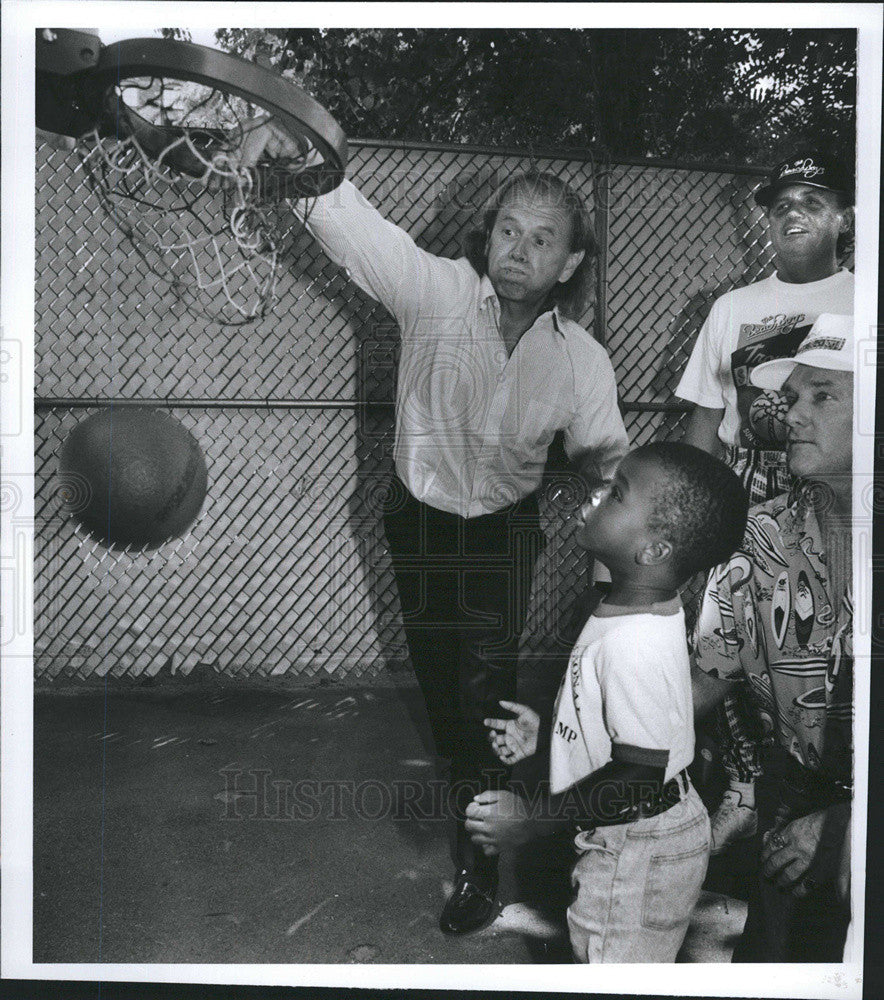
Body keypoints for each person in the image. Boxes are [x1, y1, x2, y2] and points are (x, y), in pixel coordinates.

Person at [242, 123, 630, 934]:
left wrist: (621, 565)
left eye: (543, 239)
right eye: (508, 230)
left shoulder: (583, 359)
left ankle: (482, 865)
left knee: (483, 699)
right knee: (448, 702)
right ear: (486, 237)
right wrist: (293, 156)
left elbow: (603, 466)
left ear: (570, 264)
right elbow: (356, 230)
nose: (519, 249)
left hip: (500, 536)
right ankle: (475, 782)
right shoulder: (437, 292)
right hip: (416, 526)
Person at [464, 441, 749, 962]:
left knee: (610, 963)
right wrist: (553, 735)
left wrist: (531, 819)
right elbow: (623, 724)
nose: (597, 493)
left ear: (654, 550)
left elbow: (640, 771)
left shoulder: (633, 643)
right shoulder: (629, 605)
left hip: (639, 846)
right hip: (630, 828)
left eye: (617, 494)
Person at [675, 150, 854, 854]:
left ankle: (837, 807)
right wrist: (687, 522)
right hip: (755, 504)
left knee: (831, 657)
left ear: (844, 214)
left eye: (813, 198)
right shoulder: (733, 310)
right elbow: (703, 422)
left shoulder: (867, 297)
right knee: (726, 643)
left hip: (846, 513)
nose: (794, 211)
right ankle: (751, 783)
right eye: (781, 202)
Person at [690, 314, 854, 962]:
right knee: (770, 959)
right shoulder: (762, 539)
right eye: (792, 398)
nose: (792, 416)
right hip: (795, 797)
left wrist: (848, 828)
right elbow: (701, 681)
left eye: (823, 396)